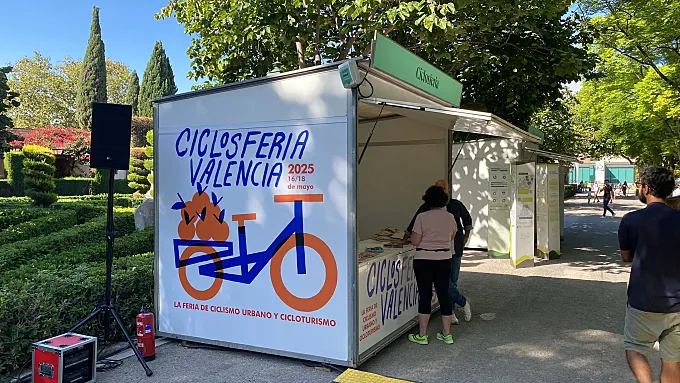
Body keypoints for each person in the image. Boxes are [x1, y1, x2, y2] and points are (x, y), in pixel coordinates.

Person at [618, 166, 680, 383]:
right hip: (678, 304)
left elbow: (626, 257)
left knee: (634, 348)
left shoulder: (630, 220)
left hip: (643, 300)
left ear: (645, 187)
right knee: (673, 359)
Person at [405, 179, 473, 325]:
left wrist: (465, 238)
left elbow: (467, 221)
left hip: (453, 251)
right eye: (438, 188)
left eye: (443, 188)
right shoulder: (425, 208)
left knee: (450, 284)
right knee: (445, 286)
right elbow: (411, 228)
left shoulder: (455, 205)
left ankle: (457, 306)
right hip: (440, 254)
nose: (441, 191)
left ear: (448, 190)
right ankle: (457, 307)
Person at [407, 185, 457, 345]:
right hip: (444, 259)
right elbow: (451, 236)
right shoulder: (450, 217)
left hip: (423, 260)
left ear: (427, 200)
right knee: (443, 294)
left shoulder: (422, 217)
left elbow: (415, 241)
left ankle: (422, 335)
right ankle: (447, 334)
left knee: (425, 295)